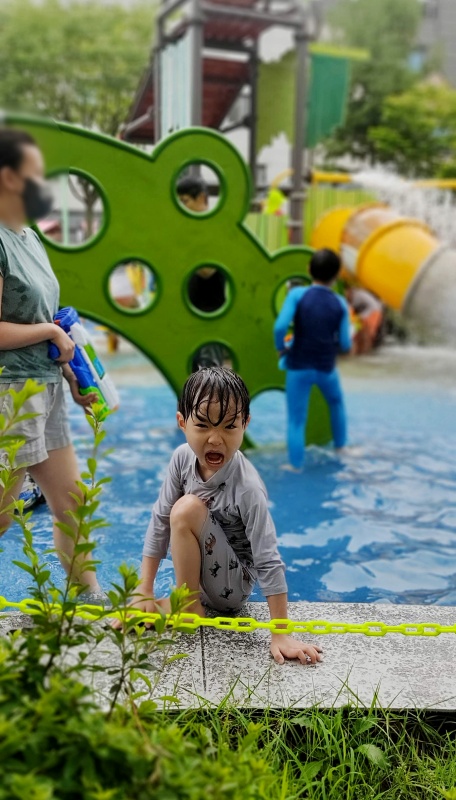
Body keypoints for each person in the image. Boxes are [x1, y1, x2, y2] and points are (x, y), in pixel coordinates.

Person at [113, 367, 322, 666]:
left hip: (231, 588)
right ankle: (183, 600)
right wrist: (143, 589)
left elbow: (267, 556)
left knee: (186, 508)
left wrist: (280, 633)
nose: (215, 439)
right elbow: (160, 519)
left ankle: (187, 606)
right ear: (182, 423)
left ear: (245, 424)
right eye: (203, 426)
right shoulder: (181, 459)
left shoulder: (247, 487)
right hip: (199, 580)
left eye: (228, 427)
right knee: (176, 513)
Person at [0, 127, 101, 593]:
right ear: (9, 178)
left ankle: (91, 604)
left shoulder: (31, 237)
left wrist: (70, 372)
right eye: (36, 174)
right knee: (2, 515)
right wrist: (49, 331)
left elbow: (46, 319)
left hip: (49, 389)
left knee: (72, 502)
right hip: (12, 394)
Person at [274, 248, 351, 471]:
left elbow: (280, 326)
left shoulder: (297, 295)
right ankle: (341, 449)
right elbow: (345, 344)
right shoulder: (340, 303)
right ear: (336, 276)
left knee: (296, 419)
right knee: (336, 403)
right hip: (326, 368)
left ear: (309, 270)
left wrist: (281, 348)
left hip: (298, 366)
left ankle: (295, 465)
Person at [346, 286, 384, 355]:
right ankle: (365, 353)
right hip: (377, 312)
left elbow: (350, 310)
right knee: (368, 336)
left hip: (372, 313)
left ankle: (360, 352)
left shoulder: (356, 295)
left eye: (346, 292)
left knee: (362, 335)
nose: (345, 294)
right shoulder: (360, 293)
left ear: (350, 290)